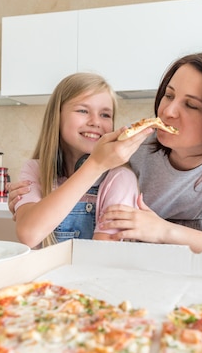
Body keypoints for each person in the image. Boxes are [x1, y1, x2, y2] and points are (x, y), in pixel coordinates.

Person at [9, 52, 202, 253]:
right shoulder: (128, 150)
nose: (167, 111)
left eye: (192, 105)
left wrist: (164, 230)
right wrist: (36, 199)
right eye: (169, 95)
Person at [13, 72, 142, 249]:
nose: (96, 122)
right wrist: (95, 165)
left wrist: (98, 164)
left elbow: (102, 255)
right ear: (57, 117)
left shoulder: (120, 178)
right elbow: (29, 234)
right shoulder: (35, 169)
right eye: (83, 110)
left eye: (105, 115)